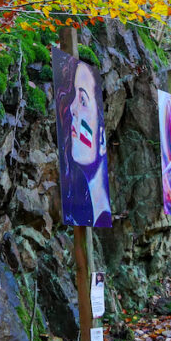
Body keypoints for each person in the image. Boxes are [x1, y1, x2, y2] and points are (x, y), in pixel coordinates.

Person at [55, 53, 111, 227]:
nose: (72, 108)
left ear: (102, 139)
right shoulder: (81, 208)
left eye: (83, 101)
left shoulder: (100, 214)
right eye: (74, 97)